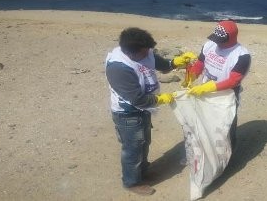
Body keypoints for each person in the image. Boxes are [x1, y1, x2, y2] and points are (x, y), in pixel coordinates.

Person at [105, 27, 196, 195]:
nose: (148, 55)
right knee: (132, 147)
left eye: (149, 51)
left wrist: (176, 62)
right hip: (128, 114)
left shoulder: (144, 52)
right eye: (144, 53)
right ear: (131, 53)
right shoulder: (118, 68)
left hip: (144, 111)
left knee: (144, 142)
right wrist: (162, 98)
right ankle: (131, 182)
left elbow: (159, 63)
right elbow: (138, 99)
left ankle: (142, 171)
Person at [185, 20, 251, 149]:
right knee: (205, 124)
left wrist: (208, 87)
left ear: (231, 38)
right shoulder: (210, 45)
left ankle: (227, 159)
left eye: (221, 41)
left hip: (226, 97)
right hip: (204, 94)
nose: (217, 43)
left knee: (225, 129)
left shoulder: (242, 55)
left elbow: (234, 80)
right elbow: (200, 63)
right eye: (216, 39)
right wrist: (190, 77)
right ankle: (207, 151)